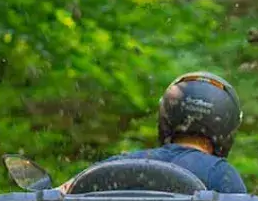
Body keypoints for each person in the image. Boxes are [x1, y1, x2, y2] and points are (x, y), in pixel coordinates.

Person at [62, 71, 247, 194]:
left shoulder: (119, 164)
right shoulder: (222, 175)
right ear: (228, 125)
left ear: (167, 115)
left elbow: (61, 194)